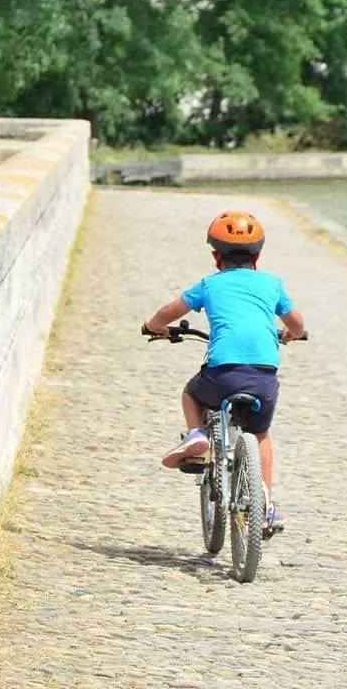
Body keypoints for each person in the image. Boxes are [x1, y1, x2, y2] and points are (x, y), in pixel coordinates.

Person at [140, 210, 306, 532]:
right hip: (264, 378)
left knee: (191, 392)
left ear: (216, 256)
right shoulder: (272, 284)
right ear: (258, 256)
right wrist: (291, 335)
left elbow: (168, 312)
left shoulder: (209, 285)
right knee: (261, 435)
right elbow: (297, 323)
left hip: (222, 374)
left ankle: (196, 435)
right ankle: (267, 505)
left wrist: (154, 327)